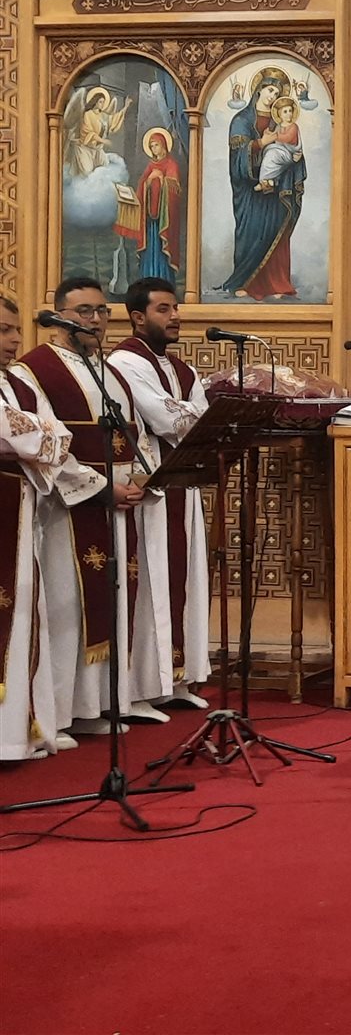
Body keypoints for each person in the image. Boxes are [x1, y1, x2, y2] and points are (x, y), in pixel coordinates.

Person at [13, 278, 160, 739]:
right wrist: (100, 489)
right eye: (83, 312)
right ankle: (57, 713)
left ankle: (100, 703)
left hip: (118, 503)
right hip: (68, 508)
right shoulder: (33, 371)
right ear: (59, 316)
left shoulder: (108, 370)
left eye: (101, 311)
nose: (94, 320)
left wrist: (142, 479)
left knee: (112, 601)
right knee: (67, 606)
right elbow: (47, 444)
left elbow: (136, 434)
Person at [107, 278, 211, 712]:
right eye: (164, 310)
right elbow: (170, 421)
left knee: (183, 578)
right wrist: (189, 415)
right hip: (149, 488)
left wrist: (190, 415)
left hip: (182, 486)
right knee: (151, 583)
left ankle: (175, 678)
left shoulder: (181, 369)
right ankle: (143, 686)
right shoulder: (124, 362)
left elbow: (203, 419)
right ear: (138, 317)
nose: (175, 317)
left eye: (175, 308)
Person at [0, 296, 72, 760]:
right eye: (3, 330)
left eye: (15, 329)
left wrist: (30, 436)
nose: (14, 339)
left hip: (20, 507)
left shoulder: (19, 382)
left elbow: (59, 434)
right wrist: (32, 435)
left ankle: (20, 730)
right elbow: (12, 432)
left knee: (26, 612)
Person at [215, 66, 303, 299]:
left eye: (278, 93)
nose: (273, 96)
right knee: (251, 234)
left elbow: (292, 148)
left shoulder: (280, 121)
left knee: (276, 233)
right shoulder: (241, 120)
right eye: (271, 90)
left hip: (276, 191)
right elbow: (237, 158)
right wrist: (260, 144)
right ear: (259, 90)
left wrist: (295, 158)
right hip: (250, 193)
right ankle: (244, 282)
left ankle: (277, 284)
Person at [111, 130, 183, 283]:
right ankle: (147, 276)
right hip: (150, 217)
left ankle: (163, 278)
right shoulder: (151, 165)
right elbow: (142, 184)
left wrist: (161, 179)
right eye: (152, 146)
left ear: (164, 145)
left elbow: (175, 189)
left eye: (156, 145)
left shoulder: (171, 164)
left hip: (164, 220)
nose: (154, 149)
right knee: (150, 247)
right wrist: (149, 180)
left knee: (161, 248)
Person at [256, 96, 302, 192]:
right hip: (280, 152)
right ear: (279, 114)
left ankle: (263, 180)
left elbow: (288, 138)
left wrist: (274, 136)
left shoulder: (293, 126)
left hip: (289, 154)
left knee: (271, 155)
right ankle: (269, 181)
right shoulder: (278, 126)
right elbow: (273, 136)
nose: (289, 114)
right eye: (285, 112)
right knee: (270, 156)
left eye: (290, 111)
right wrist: (267, 133)